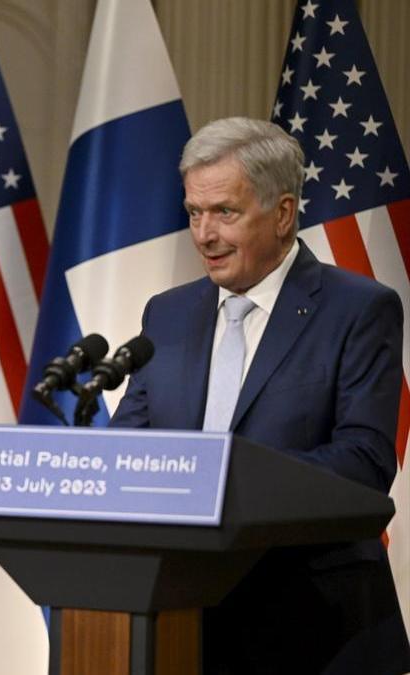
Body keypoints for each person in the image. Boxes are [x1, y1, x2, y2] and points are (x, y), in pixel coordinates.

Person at [111, 117, 410, 674]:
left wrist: (222, 482)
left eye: (225, 212)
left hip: (315, 628)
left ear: (283, 213)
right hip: (184, 620)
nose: (204, 234)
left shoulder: (358, 310)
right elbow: (128, 447)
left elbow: (364, 462)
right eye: (195, 213)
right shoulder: (168, 314)